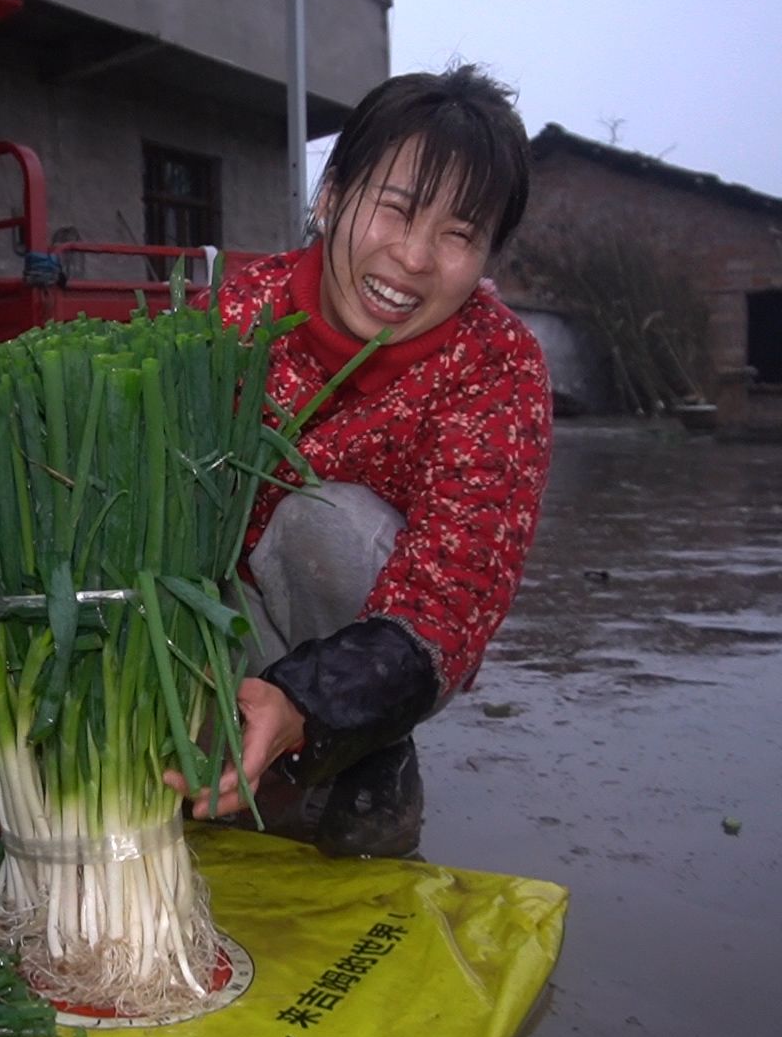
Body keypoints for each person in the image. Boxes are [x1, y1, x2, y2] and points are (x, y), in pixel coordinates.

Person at [166, 64, 551, 857]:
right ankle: (212, 731)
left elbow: (453, 595)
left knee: (322, 521)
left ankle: (370, 749)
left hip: (362, 635)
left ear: (485, 259)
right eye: (398, 211)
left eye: (458, 235)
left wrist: (316, 699)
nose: (413, 258)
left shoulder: (498, 366)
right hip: (215, 615)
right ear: (331, 197)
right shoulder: (234, 320)